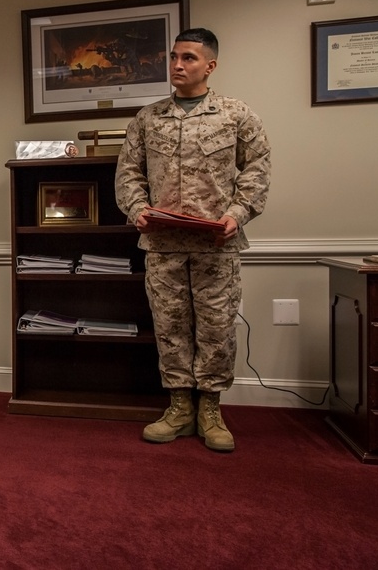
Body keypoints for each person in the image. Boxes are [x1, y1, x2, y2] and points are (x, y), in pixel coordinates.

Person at [115, 28, 271, 453]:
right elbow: (128, 173)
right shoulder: (148, 118)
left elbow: (257, 170)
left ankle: (211, 411)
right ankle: (180, 407)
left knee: (217, 330)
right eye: (174, 57)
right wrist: (137, 208)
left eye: (188, 58)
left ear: (210, 65)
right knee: (170, 329)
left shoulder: (236, 115)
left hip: (216, 247)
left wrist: (237, 214)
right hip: (163, 246)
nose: (178, 65)